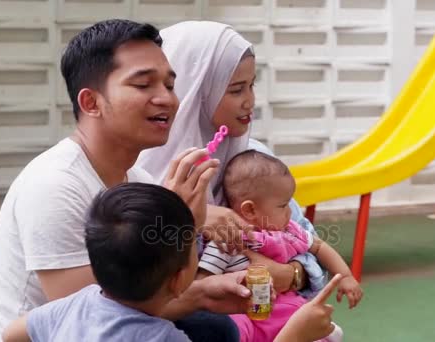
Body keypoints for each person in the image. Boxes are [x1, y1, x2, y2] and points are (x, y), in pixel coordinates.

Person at [0, 19, 250, 342]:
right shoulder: (54, 185)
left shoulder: (137, 179)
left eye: (170, 86)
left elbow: (140, 295)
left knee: (215, 329)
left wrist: (200, 282)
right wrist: (175, 224)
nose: (167, 100)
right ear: (91, 103)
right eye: (143, 85)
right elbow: (92, 320)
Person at [2, 183, 344, 342]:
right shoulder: (162, 338)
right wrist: (293, 336)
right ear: (181, 277)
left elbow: (11, 334)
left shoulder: (71, 307)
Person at [136, 20, 327, 298]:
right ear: (195, 90)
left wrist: (291, 273)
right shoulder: (142, 172)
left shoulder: (256, 159)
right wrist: (189, 219)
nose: (250, 101)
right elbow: (136, 283)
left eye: (251, 86)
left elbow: (305, 237)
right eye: (236, 89)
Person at [198, 150, 364, 342]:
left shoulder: (289, 231)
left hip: (282, 306)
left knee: (309, 318)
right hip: (241, 311)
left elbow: (319, 247)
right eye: (283, 205)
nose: (290, 212)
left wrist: (345, 276)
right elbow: (204, 283)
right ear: (250, 209)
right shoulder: (229, 238)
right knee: (230, 329)